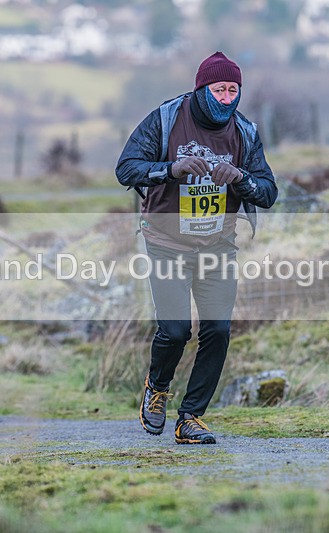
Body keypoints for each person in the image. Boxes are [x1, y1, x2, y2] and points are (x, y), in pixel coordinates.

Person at [115, 51, 278, 444]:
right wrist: (172, 169)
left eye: (233, 89)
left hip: (218, 246)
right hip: (166, 242)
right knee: (174, 331)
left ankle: (191, 417)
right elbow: (126, 168)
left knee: (218, 331)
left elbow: (268, 191)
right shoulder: (167, 118)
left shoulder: (245, 133)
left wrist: (239, 178)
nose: (226, 97)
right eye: (219, 89)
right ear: (202, 89)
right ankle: (157, 389)